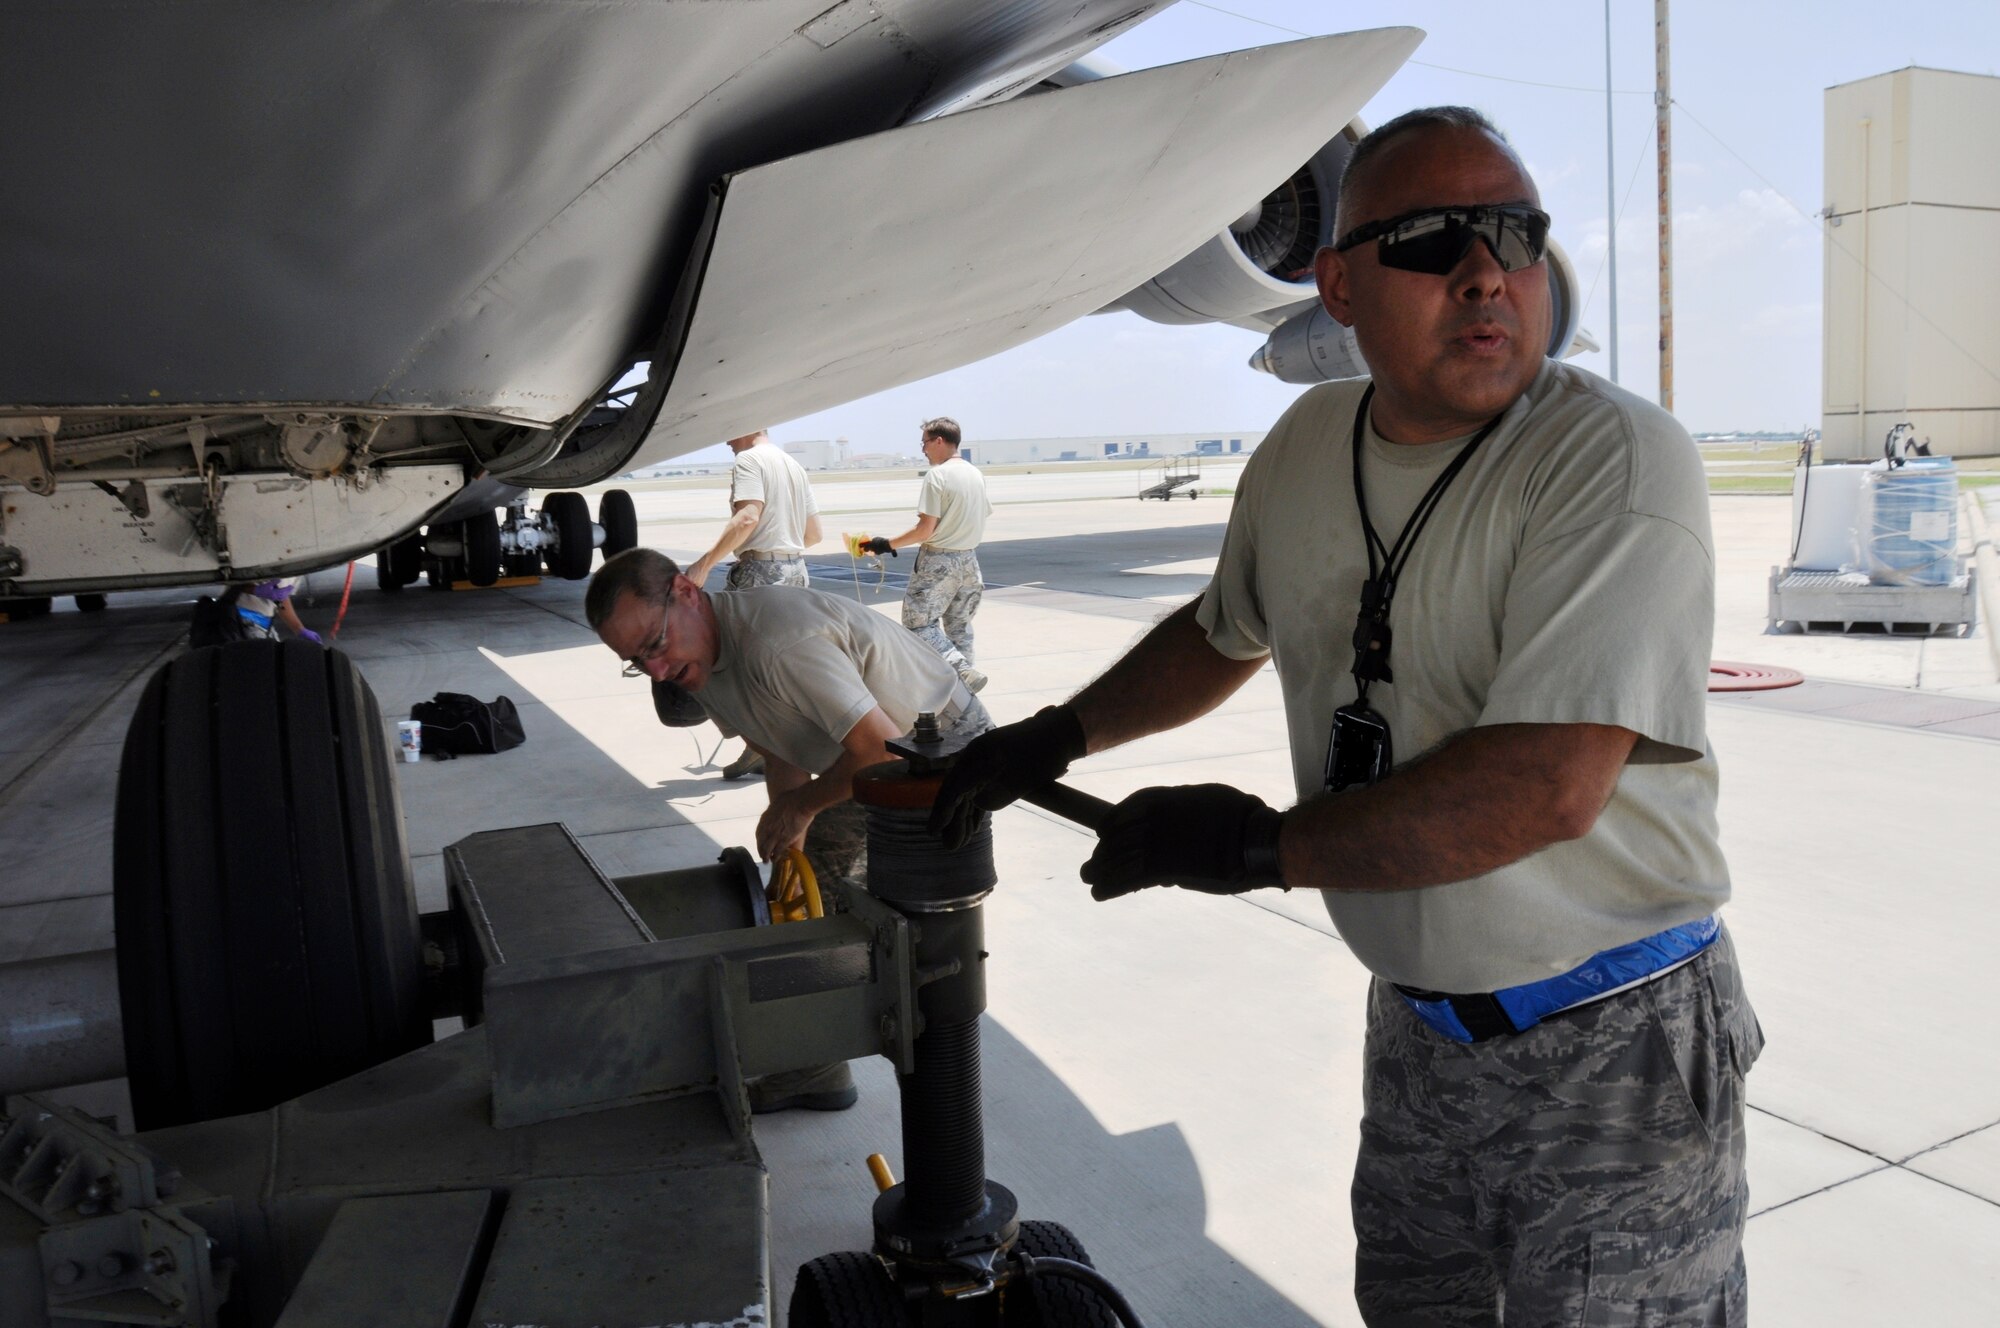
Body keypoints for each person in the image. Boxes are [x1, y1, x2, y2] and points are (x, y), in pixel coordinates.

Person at [931, 107, 1761, 1324]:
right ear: (1337, 282)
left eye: (1512, 235)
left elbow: (1543, 784)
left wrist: (1259, 847)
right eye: (1431, 241)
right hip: (1419, 1039)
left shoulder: (1611, 457)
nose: (1485, 271)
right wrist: (1054, 735)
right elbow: (1223, 629)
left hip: (1611, 1049)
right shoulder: (1308, 442)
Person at [587, 546, 990, 1112]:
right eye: (637, 661)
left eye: (654, 646)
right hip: (877, 757)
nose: (657, 671)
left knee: (890, 929)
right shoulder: (701, 654)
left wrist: (800, 810)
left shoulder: (778, 643)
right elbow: (778, 746)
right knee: (794, 903)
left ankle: (842, 1066)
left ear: (685, 593)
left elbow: (877, 749)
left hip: (941, 749)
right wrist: (789, 842)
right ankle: (813, 1060)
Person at [685, 429, 824, 781]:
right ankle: (771, 748)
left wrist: (705, 564)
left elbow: (748, 516)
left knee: (732, 668)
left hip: (761, 572)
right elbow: (813, 534)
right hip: (796, 570)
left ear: (749, 428)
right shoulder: (792, 464)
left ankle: (766, 747)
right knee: (782, 669)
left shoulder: (748, 460)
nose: (726, 440)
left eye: (731, 432)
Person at [861, 417, 992, 694]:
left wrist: (886, 544)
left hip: (940, 562)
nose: (923, 449)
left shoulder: (938, 476)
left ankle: (962, 671)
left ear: (940, 441)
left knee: (918, 624)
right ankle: (964, 694)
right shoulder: (974, 473)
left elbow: (924, 530)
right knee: (959, 627)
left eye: (925, 443)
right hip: (969, 560)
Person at [191, 576, 321, 648]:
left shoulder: (297, 567)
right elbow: (232, 577)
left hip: (263, 626)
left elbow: (281, 599)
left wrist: (299, 629)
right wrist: (255, 590)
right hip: (238, 621)